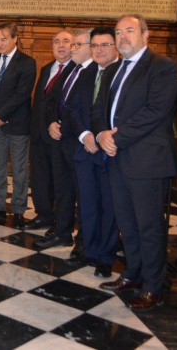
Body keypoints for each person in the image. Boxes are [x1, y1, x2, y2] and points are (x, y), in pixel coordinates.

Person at [92, 14, 177, 310]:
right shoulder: (114, 68)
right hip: (117, 157)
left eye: (129, 30)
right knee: (127, 223)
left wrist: (116, 137)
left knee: (148, 225)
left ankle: (153, 286)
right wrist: (102, 133)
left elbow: (156, 110)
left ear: (145, 34)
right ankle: (132, 275)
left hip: (146, 160)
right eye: (118, 32)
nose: (122, 37)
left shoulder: (162, 67)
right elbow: (102, 108)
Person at [61, 26, 120, 278]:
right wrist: (85, 135)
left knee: (109, 206)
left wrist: (102, 136)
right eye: (94, 46)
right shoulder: (87, 73)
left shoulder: (121, 72)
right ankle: (88, 249)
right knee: (87, 204)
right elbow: (70, 108)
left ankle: (106, 257)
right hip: (85, 150)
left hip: (112, 152)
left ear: (115, 46)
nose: (99, 50)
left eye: (104, 45)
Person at [39, 29, 93, 251]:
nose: (73, 49)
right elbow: (53, 101)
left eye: (78, 45)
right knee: (63, 191)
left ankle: (84, 241)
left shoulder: (95, 72)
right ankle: (63, 232)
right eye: (74, 45)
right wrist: (52, 121)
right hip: (60, 140)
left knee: (84, 195)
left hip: (79, 142)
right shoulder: (71, 69)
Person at [0, 22, 37, 226]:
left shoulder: (27, 62)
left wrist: (2, 115)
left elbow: (22, 94)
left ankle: (19, 210)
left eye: (3, 39)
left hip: (17, 125)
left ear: (15, 39)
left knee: (19, 169)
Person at [25, 30, 74, 232]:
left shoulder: (75, 70)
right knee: (40, 178)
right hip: (38, 134)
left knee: (60, 182)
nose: (60, 45)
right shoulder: (46, 69)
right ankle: (43, 214)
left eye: (65, 41)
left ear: (73, 46)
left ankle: (60, 222)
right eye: (56, 42)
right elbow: (39, 102)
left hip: (59, 136)